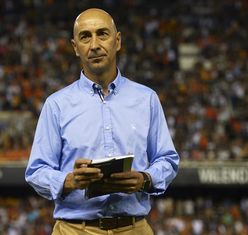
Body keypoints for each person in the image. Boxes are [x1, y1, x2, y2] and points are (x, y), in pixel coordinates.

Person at [25, 8, 179, 235]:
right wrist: (70, 180)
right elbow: (36, 171)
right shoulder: (56, 105)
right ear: (75, 47)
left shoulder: (146, 99)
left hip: (134, 229)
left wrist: (144, 179)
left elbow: (167, 160)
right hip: (74, 230)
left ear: (117, 41)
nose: (94, 44)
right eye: (85, 36)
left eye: (102, 34)